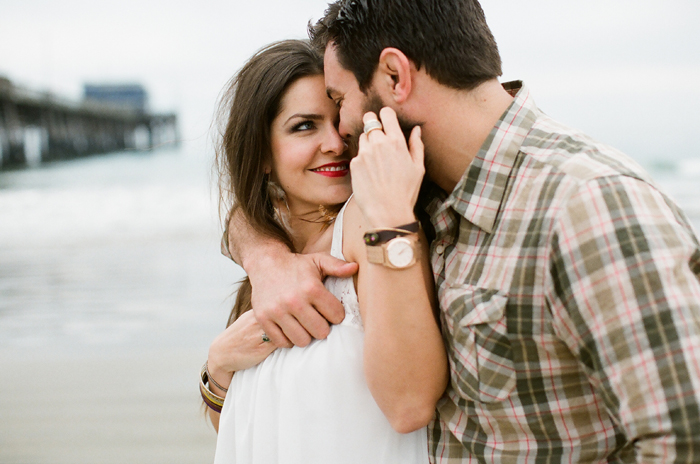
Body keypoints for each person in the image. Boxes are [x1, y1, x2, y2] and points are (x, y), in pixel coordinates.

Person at [225, 1, 700, 462]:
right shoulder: (423, 190)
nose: (341, 132)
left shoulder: (586, 207)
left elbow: (683, 436)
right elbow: (267, 204)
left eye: (341, 100)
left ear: (394, 76)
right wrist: (266, 256)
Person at [202, 39, 448, 464]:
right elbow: (253, 425)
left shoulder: (370, 221)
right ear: (261, 152)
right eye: (304, 126)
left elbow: (410, 404)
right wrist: (218, 369)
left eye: (340, 120)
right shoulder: (270, 250)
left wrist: (389, 220)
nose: (335, 142)